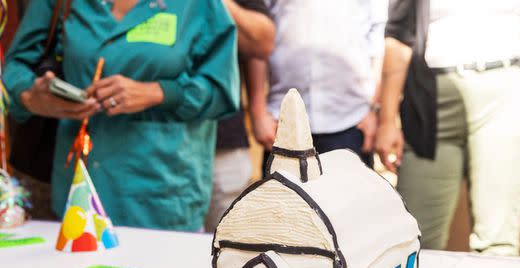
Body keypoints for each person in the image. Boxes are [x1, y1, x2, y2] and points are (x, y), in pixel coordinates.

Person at [5, 0, 239, 231]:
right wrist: (32, 98)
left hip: (163, 195)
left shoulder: (199, 5)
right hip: (79, 193)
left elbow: (222, 90)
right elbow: (15, 68)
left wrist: (158, 93)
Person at [377, 0, 520, 255]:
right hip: (432, 99)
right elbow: (399, 35)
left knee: (497, 244)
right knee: (418, 241)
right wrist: (387, 120)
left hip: (507, 90)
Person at [248, 0, 387, 172]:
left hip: (352, 121)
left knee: (350, 197)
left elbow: (379, 36)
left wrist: (373, 109)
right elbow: (257, 36)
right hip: (283, 123)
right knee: (283, 198)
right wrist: (258, 111)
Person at [204, 0, 275, 232]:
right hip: (145, 141)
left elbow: (261, 42)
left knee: (233, 240)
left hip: (222, 138)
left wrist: (258, 109)